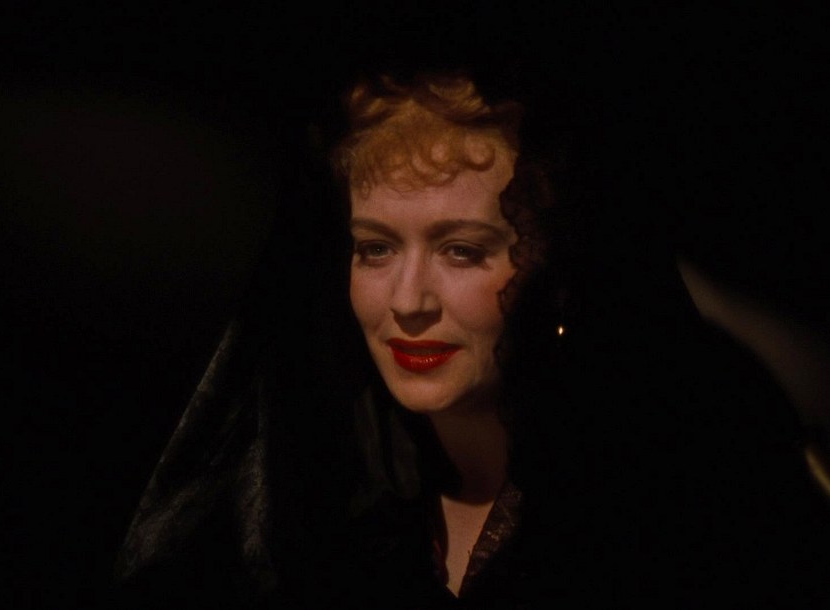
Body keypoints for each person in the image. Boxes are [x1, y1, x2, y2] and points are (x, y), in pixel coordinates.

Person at [113, 71, 830, 608]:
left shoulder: (684, 513)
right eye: (374, 249)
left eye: (461, 251)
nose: (408, 302)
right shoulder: (303, 520)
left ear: (553, 266)